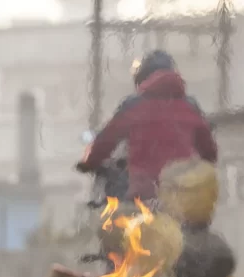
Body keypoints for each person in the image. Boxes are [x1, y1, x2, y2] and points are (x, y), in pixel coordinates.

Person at [77, 50, 218, 202]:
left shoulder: (133, 105)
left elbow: (106, 140)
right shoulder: (191, 106)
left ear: (142, 79)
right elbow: (210, 153)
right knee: (195, 221)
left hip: (143, 193)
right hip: (182, 196)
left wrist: (90, 162)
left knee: (114, 213)